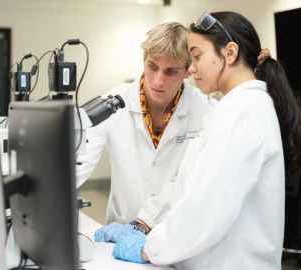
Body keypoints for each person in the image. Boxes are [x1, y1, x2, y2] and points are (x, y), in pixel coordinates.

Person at [98, 11, 301, 270]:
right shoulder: (231, 109)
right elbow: (185, 184)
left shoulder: (244, 113)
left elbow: (205, 211)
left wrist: (148, 248)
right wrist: (141, 225)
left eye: (197, 56)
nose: (191, 68)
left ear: (230, 53)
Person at [76, 22, 211, 234]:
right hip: (122, 234)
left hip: (177, 236)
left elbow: (197, 179)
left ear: (187, 71)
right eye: (153, 67)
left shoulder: (204, 110)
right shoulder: (112, 104)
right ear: (143, 61)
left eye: (171, 72)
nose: (158, 80)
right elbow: (78, 163)